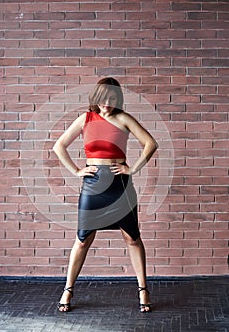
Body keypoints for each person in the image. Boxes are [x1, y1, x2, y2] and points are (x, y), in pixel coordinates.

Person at [53, 77, 158, 313]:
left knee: (132, 237)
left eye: (112, 98)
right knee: (82, 239)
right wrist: (77, 171)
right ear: (96, 98)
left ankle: (143, 290)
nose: (107, 103)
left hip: (120, 186)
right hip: (93, 185)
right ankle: (68, 289)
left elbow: (150, 143)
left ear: (117, 99)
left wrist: (133, 168)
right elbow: (59, 145)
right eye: (103, 98)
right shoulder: (85, 119)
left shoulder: (123, 118)